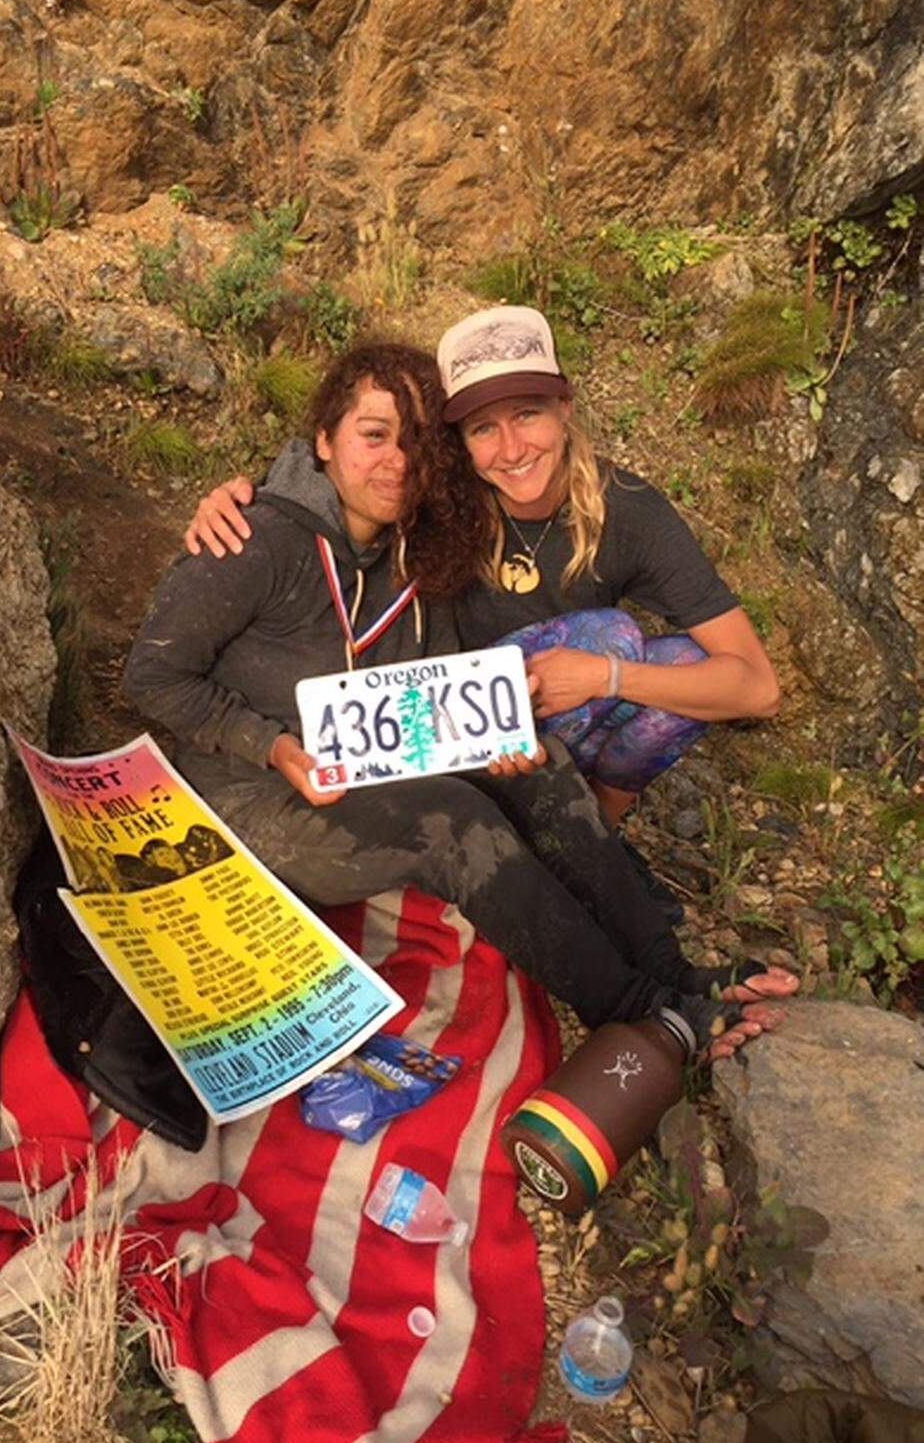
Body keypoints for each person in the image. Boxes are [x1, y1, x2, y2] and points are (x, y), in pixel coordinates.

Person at [123, 342, 789, 1056]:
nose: (398, 462)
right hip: (256, 793)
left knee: (542, 765)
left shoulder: (417, 548)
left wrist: (492, 738)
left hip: (371, 765)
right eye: (374, 436)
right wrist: (272, 746)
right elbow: (151, 679)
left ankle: (671, 968)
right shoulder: (254, 540)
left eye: (416, 442)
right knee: (456, 823)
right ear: (322, 440)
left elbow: (434, 679)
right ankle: (639, 1011)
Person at [183, 306, 780, 841]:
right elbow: (341, 477)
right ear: (458, 441)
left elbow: (757, 688)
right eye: (483, 429)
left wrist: (607, 677)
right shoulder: (439, 488)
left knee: (671, 664)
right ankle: (526, 821)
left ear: (564, 411)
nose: (512, 448)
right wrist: (248, 498)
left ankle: (598, 825)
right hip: (437, 724)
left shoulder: (630, 510)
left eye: (527, 415)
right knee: (614, 634)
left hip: (554, 698)